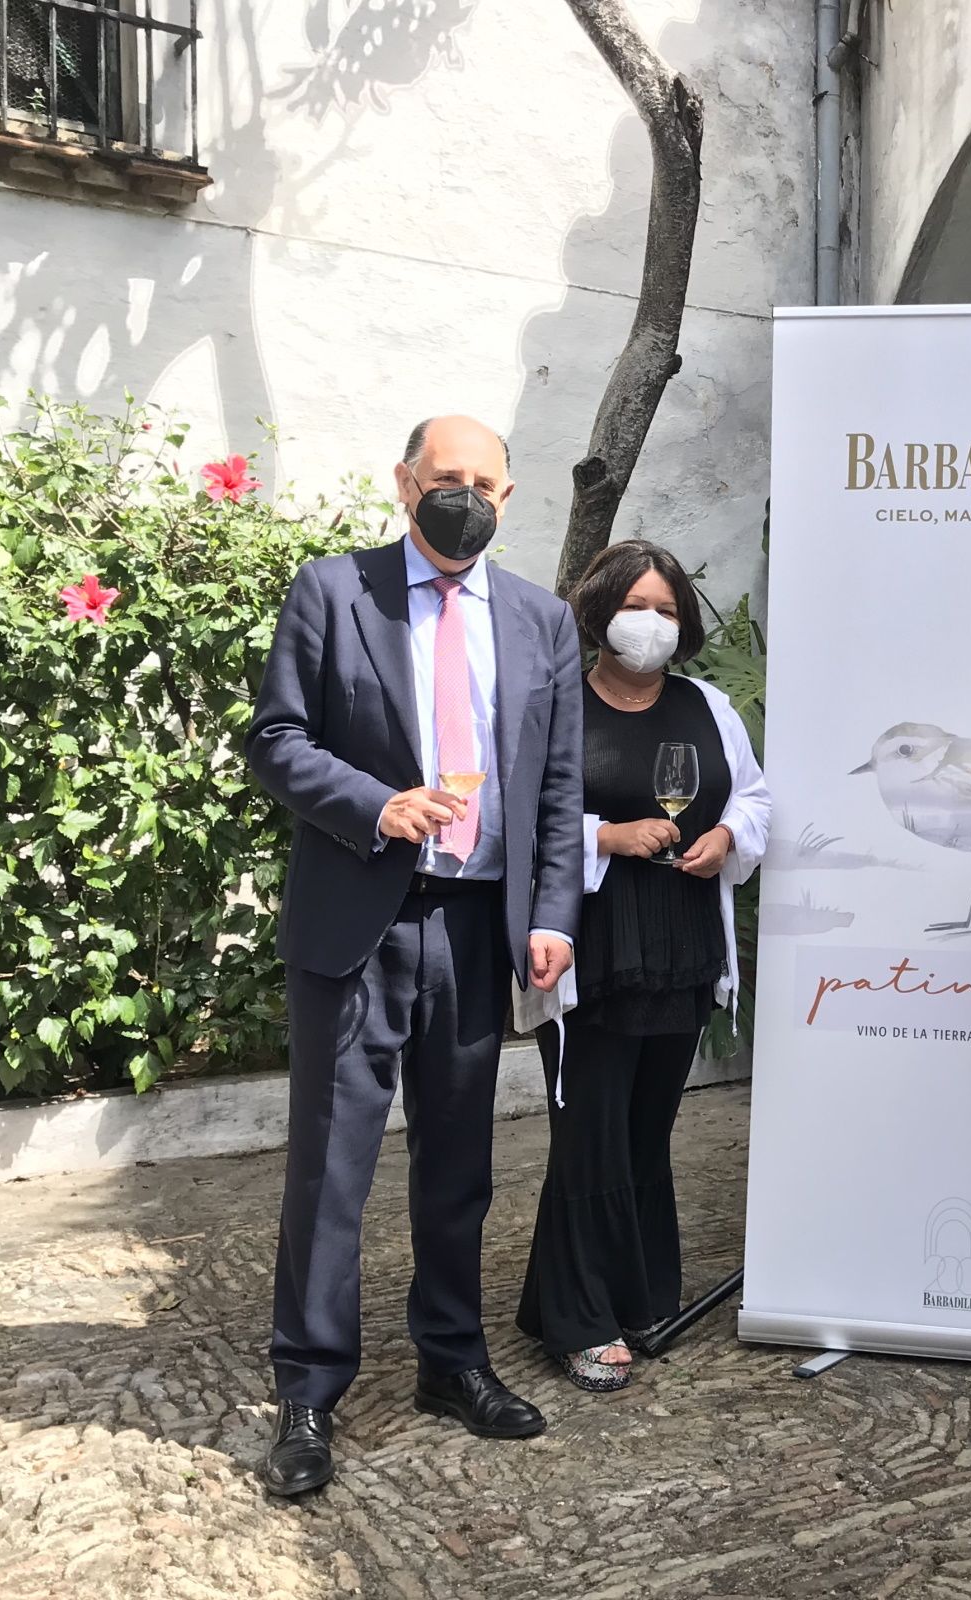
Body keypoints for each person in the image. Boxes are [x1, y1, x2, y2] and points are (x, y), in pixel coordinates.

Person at [244, 415, 583, 1497]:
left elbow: (562, 791)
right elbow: (276, 740)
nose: (465, 497)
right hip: (362, 917)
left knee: (459, 1166)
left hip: (480, 928)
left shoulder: (541, 621)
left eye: (485, 483)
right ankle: (308, 1387)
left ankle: (452, 1359)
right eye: (447, 478)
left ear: (509, 495)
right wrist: (376, 803)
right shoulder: (332, 591)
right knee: (330, 1163)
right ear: (404, 482)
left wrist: (555, 913)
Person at [516, 540, 770, 1392]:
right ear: (598, 613)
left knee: (645, 1133)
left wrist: (728, 836)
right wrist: (606, 837)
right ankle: (579, 1319)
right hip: (589, 947)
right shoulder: (557, 706)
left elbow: (755, 797)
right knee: (587, 1131)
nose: (651, 624)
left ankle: (634, 1290)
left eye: (667, 610)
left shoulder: (709, 705)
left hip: (683, 947)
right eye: (636, 606)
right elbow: (521, 820)